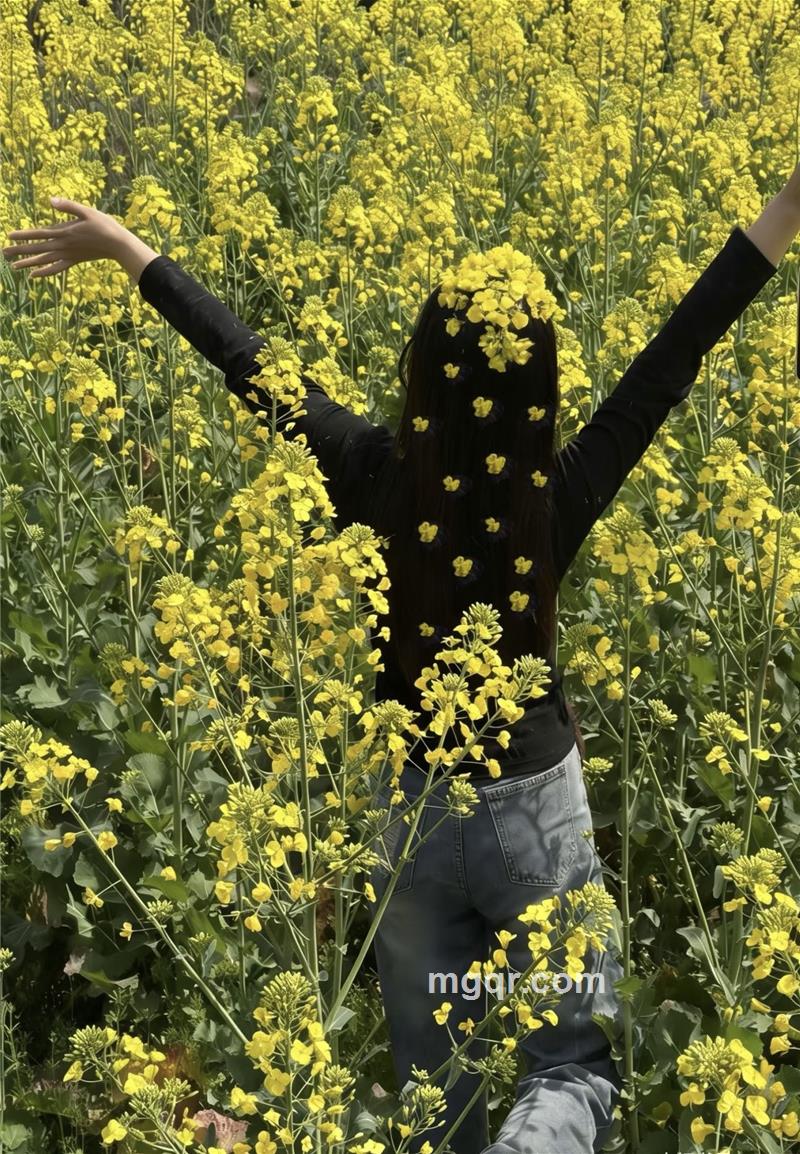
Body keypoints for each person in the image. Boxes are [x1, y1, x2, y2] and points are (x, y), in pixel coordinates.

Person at [3, 171, 797, 1154]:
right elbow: (672, 354)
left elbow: (251, 363)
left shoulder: (371, 471)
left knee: (434, 1085)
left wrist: (129, 249)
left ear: (420, 371)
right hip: (532, 809)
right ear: (539, 387)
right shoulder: (554, 493)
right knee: (570, 1067)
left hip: (409, 804)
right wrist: (785, 208)